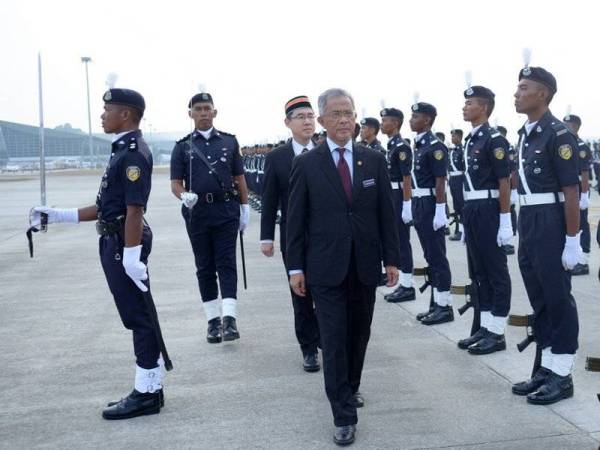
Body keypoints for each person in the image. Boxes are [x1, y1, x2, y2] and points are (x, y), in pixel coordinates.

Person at [29, 88, 166, 419]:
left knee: (138, 317)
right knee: (137, 314)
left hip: (124, 243)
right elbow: (107, 208)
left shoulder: (132, 154)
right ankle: (152, 386)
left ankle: (146, 394)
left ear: (126, 115)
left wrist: (132, 256)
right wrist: (57, 214)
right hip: (116, 239)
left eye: (108, 111)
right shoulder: (120, 151)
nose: (102, 116)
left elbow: (134, 210)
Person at [286, 88, 400, 446]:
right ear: (321, 121)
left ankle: (350, 387)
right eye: (335, 114)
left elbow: (386, 214)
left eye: (348, 113)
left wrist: (393, 258)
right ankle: (343, 414)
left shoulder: (373, 160)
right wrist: (295, 269)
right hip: (325, 267)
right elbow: (295, 221)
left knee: (358, 335)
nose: (344, 120)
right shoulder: (307, 164)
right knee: (333, 340)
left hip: (365, 265)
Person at [510, 66, 580, 405]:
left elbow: (571, 190)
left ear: (543, 94)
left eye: (524, 88)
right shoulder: (525, 133)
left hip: (551, 220)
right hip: (529, 217)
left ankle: (563, 374)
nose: (517, 93)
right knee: (540, 298)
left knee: (557, 298)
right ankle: (546, 367)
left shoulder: (557, 134)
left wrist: (571, 240)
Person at [170, 93, 249, 344]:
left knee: (226, 263)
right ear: (190, 113)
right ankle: (213, 322)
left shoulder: (229, 141)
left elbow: (239, 178)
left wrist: (245, 208)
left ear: (215, 113)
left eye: (207, 109)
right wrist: (184, 196)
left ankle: (230, 319)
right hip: (198, 214)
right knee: (204, 267)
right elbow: (175, 183)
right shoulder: (181, 146)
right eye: (198, 109)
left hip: (226, 210)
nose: (203, 113)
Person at [260, 96, 320, 372]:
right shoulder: (277, 157)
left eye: (310, 116)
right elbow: (270, 198)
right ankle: (309, 347)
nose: (307, 121)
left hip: (325, 235)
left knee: (328, 291)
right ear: (288, 123)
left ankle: (326, 340)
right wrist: (267, 237)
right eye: (301, 117)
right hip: (293, 235)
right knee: (301, 292)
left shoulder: (325, 151)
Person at [456, 86, 512, 355]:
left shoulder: (494, 139)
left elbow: (504, 181)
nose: (464, 107)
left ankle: (498, 331)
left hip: (490, 208)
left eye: (469, 103)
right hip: (474, 208)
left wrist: (505, 220)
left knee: (495, 271)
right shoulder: (471, 139)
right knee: (478, 271)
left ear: (484, 108)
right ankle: (485, 327)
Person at [409, 102, 453, 325]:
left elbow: (440, 181)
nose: (411, 120)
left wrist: (439, 209)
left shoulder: (435, 146)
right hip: (420, 202)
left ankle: (444, 306)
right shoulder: (420, 145)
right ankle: (436, 303)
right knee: (430, 256)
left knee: (437, 257)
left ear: (427, 120)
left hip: (430, 203)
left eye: (415, 117)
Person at [380, 107, 416, 303]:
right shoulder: (392, 145)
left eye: (385, 121)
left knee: (402, 241)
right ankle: (403, 282)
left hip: (398, 195)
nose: (382, 124)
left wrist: (407, 203)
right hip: (391, 194)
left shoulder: (401, 147)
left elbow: (406, 177)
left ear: (395, 123)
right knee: (396, 241)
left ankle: (408, 285)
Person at [564, 114, 592, 276]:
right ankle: (576, 258)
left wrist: (585, 195)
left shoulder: (581, 146)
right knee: (574, 225)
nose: (564, 127)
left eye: (567, 125)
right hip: (571, 192)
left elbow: (585, 174)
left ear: (575, 127)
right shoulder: (569, 144)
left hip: (580, 192)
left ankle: (584, 261)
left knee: (582, 226)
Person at [497, 125, 518, 255]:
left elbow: (513, 171)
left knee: (510, 211)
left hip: (508, 184)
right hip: (499, 184)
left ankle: (510, 242)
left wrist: (514, 190)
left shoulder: (508, 148)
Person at [448, 129, 465, 241]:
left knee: (462, 205)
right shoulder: (452, 151)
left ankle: (462, 231)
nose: (452, 138)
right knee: (457, 206)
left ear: (459, 137)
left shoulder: (462, 150)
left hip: (460, 179)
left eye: (454, 136)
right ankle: (458, 229)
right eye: (452, 136)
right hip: (453, 179)